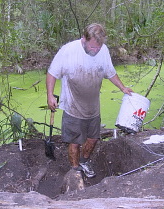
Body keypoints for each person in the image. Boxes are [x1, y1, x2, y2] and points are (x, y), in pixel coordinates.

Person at [46, 23, 133, 178]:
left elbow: (110, 72)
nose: (95, 51)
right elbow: (52, 73)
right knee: (75, 141)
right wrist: (50, 95)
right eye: (92, 47)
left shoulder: (103, 50)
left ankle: (84, 161)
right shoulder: (68, 51)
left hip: (93, 107)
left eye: (98, 48)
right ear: (83, 39)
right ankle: (74, 169)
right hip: (73, 106)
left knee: (93, 139)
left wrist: (123, 88)